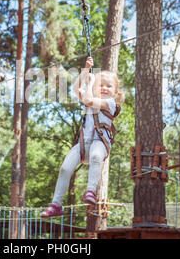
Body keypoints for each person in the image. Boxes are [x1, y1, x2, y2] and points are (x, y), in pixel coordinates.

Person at [41, 57, 125, 218]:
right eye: (101, 85)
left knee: (95, 156)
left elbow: (87, 99)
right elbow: (75, 89)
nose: (104, 89)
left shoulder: (110, 103)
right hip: (82, 145)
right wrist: (86, 71)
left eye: (109, 86)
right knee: (65, 169)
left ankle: (91, 191)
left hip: (99, 144)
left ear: (115, 92)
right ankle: (56, 205)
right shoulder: (91, 100)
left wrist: (92, 81)